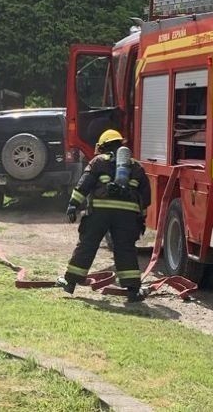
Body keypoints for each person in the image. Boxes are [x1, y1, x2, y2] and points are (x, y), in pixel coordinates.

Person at [57, 129, 151, 302]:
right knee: (125, 249)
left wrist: (73, 205)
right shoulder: (137, 167)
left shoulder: (98, 161)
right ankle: (133, 291)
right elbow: (145, 198)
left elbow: (84, 184)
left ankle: (70, 283)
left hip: (100, 212)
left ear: (103, 146)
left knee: (87, 245)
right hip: (127, 215)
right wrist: (141, 219)